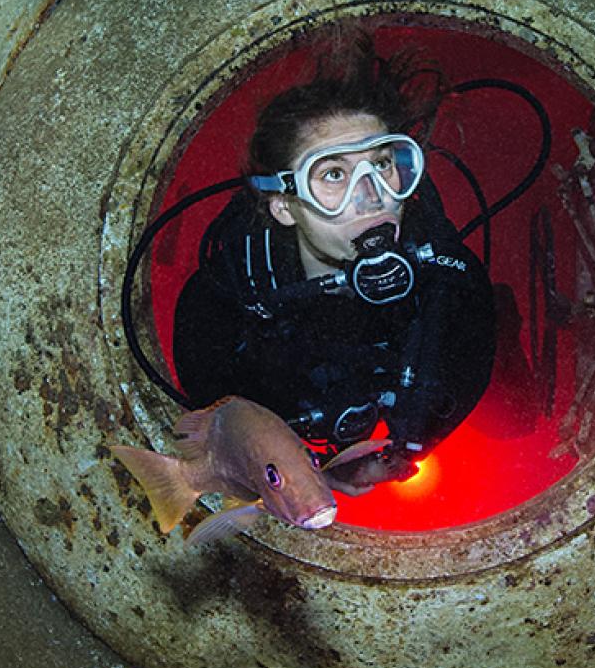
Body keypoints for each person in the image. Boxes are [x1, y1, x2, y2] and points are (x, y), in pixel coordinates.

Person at [172, 39, 496, 494]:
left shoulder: (448, 275)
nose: (373, 195)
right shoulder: (222, 306)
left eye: (382, 163)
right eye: (333, 174)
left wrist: (408, 449)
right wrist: (317, 472)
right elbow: (218, 431)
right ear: (284, 206)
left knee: (510, 421)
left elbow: (465, 372)